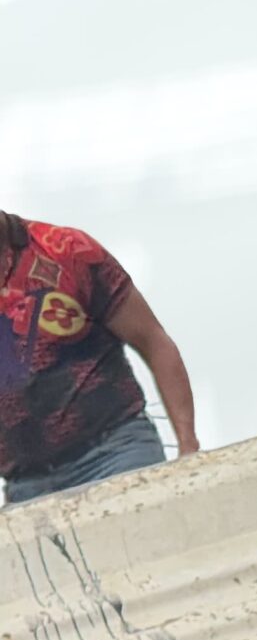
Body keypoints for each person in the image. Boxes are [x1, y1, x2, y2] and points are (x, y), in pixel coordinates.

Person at [2, 211, 197, 503]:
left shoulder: (66, 250)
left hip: (116, 453)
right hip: (26, 484)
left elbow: (154, 342)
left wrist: (189, 450)